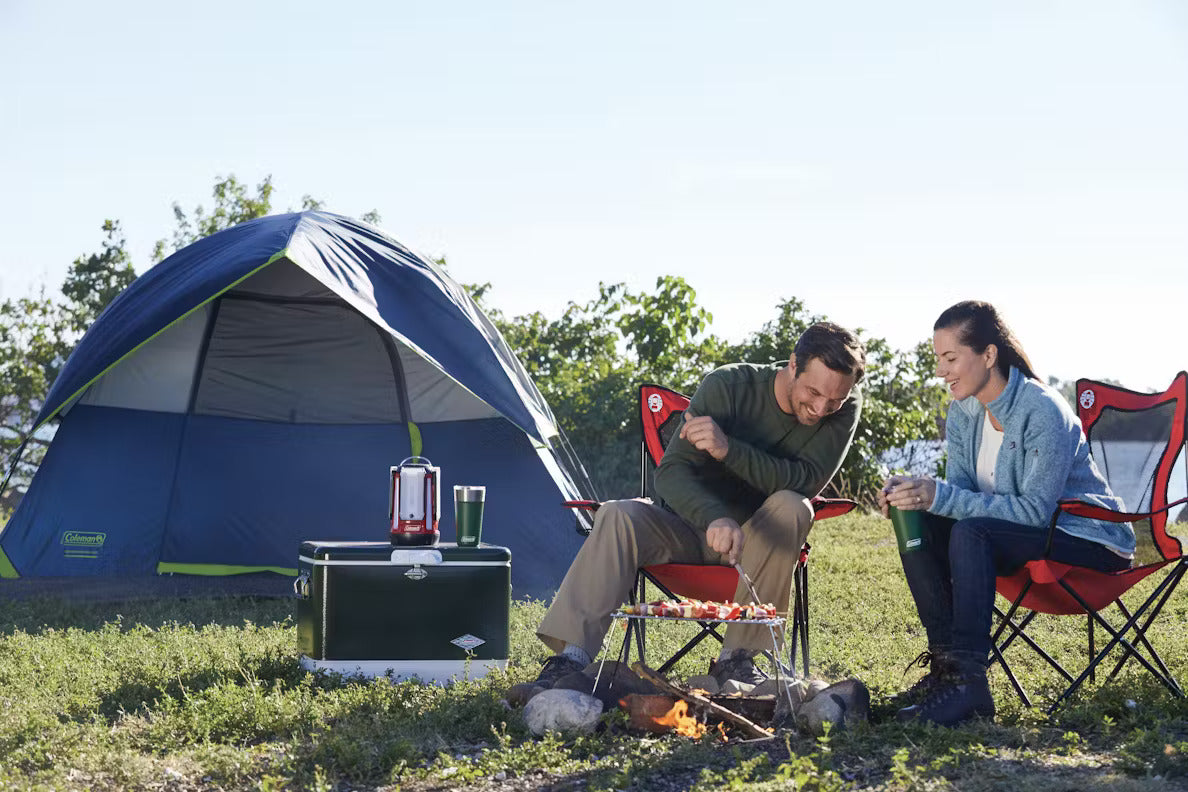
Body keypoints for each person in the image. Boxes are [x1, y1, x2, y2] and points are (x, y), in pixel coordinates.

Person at [534, 322, 866, 687]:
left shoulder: (845, 407)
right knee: (617, 514)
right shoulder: (728, 386)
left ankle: (738, 660)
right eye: (813, 392)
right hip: (687, 531)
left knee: (794, 506)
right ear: (792, 365)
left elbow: (805, 481)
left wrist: (729, 450)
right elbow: (672, 472)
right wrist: (715, 517)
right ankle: (571, 658)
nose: (821, 408)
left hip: (761, 546)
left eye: (834, 400)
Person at [879, 300, 1134, 726]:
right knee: (917, 521)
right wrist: (912, 499)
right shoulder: (963, 410)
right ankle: (946, 666)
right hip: (1019, 536)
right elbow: (958, 494)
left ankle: (969, 686)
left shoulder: (1042, 410)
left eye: (950, 358)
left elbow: (1035, 512)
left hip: (1089, 539)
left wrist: (939, 496)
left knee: (972, 533)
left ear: (989, 355)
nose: (941, 371)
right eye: (937, 359)